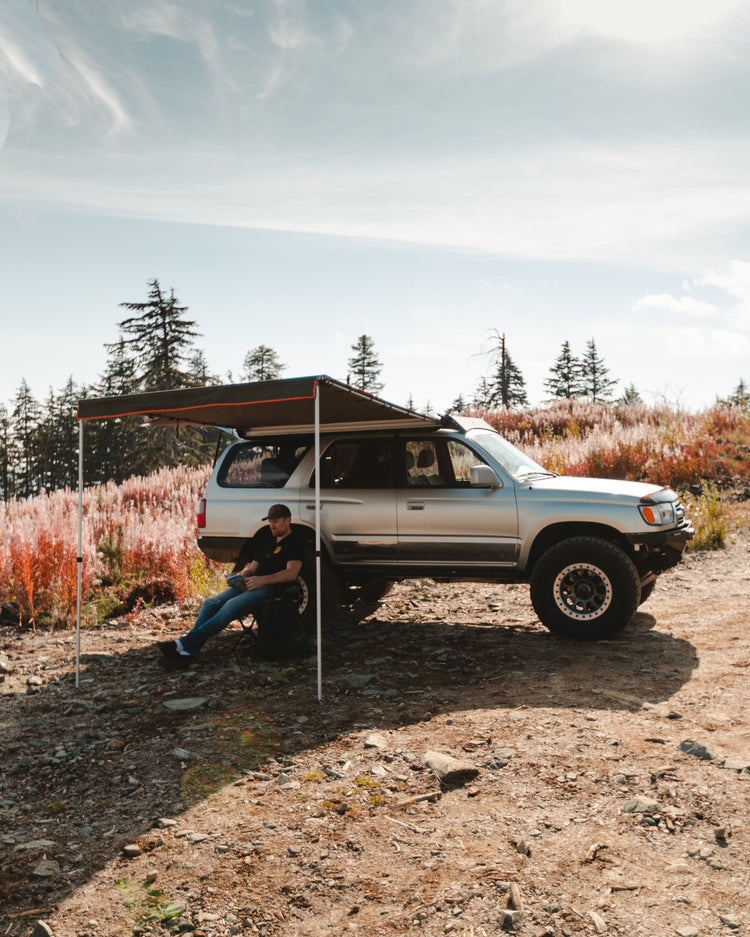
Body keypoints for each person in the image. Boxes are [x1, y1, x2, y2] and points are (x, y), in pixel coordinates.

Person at [158, 504, 305, 668]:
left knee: (229, 606)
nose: (272, 525)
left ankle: (182, 645)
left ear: (288, 520)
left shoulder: (295, 543)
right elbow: (253, 569)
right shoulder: (267, 541)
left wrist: (262, 581)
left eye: (276, 521)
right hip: (252, 583)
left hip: (271, 588)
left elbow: (291, 573)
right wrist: (238, 577)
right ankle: (189, 651)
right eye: (270, 521)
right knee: (210, 603)